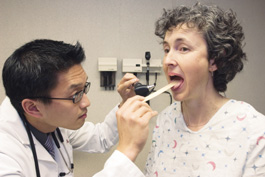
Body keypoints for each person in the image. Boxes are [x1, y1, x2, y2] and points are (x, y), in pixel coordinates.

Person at [141, 2, 265, 177]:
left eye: (183, 48)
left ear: (215, 60)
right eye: (166, 49)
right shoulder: (164, 122)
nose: (168, 60)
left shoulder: (254, 129)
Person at [0, 39, 157, 177]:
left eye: (84, 89)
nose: (86, 102)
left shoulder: (50, 121)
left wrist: (125, 103)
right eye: (75, 94)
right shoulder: (5, 158)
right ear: (33, 108)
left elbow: (99, 138)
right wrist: (127, 151)